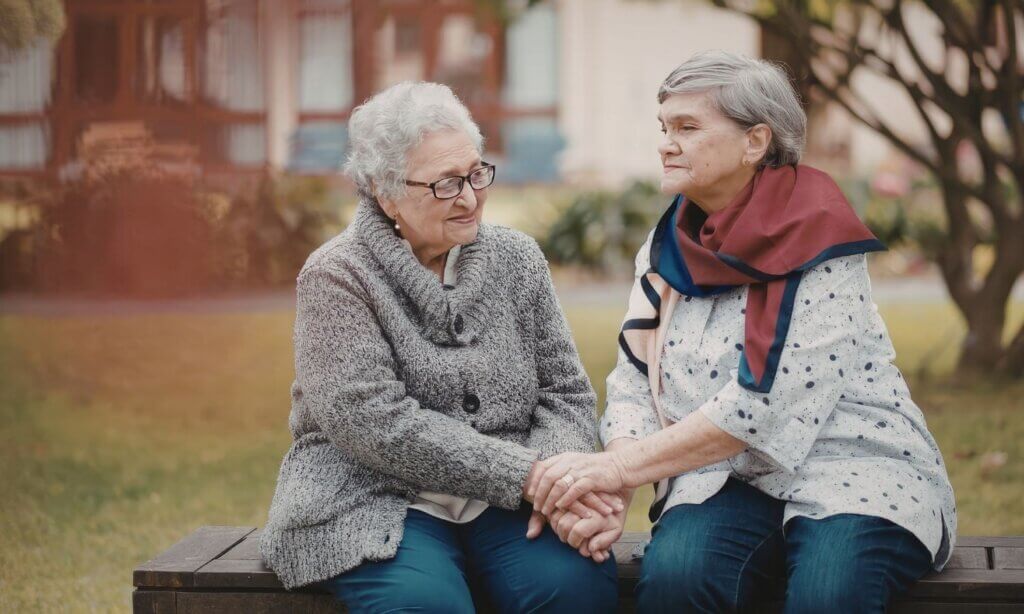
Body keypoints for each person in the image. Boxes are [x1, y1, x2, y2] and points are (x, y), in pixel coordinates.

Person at [526, 51, 957, 613]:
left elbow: (767, 404)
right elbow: (633, 382)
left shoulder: (821, 240)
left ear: (755, 141)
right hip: (723, 477)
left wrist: (616, 467)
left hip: (853, 466)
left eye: (687, 128)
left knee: (829, 593)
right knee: (677, 581)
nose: (665, 143)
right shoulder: (667, 250)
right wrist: (616, 489)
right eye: (664, 128)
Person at [259, 81, 618, 613]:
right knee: (425, 605)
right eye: (446, 184)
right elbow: (372, 423)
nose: (471, 198)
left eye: (476, 174)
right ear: (385, 192)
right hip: (374, 494)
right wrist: (525, 475)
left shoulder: (516, 259)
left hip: (515, 496)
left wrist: (556, 482)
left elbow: (566, 394)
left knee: (573, 590)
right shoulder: (337, 275)